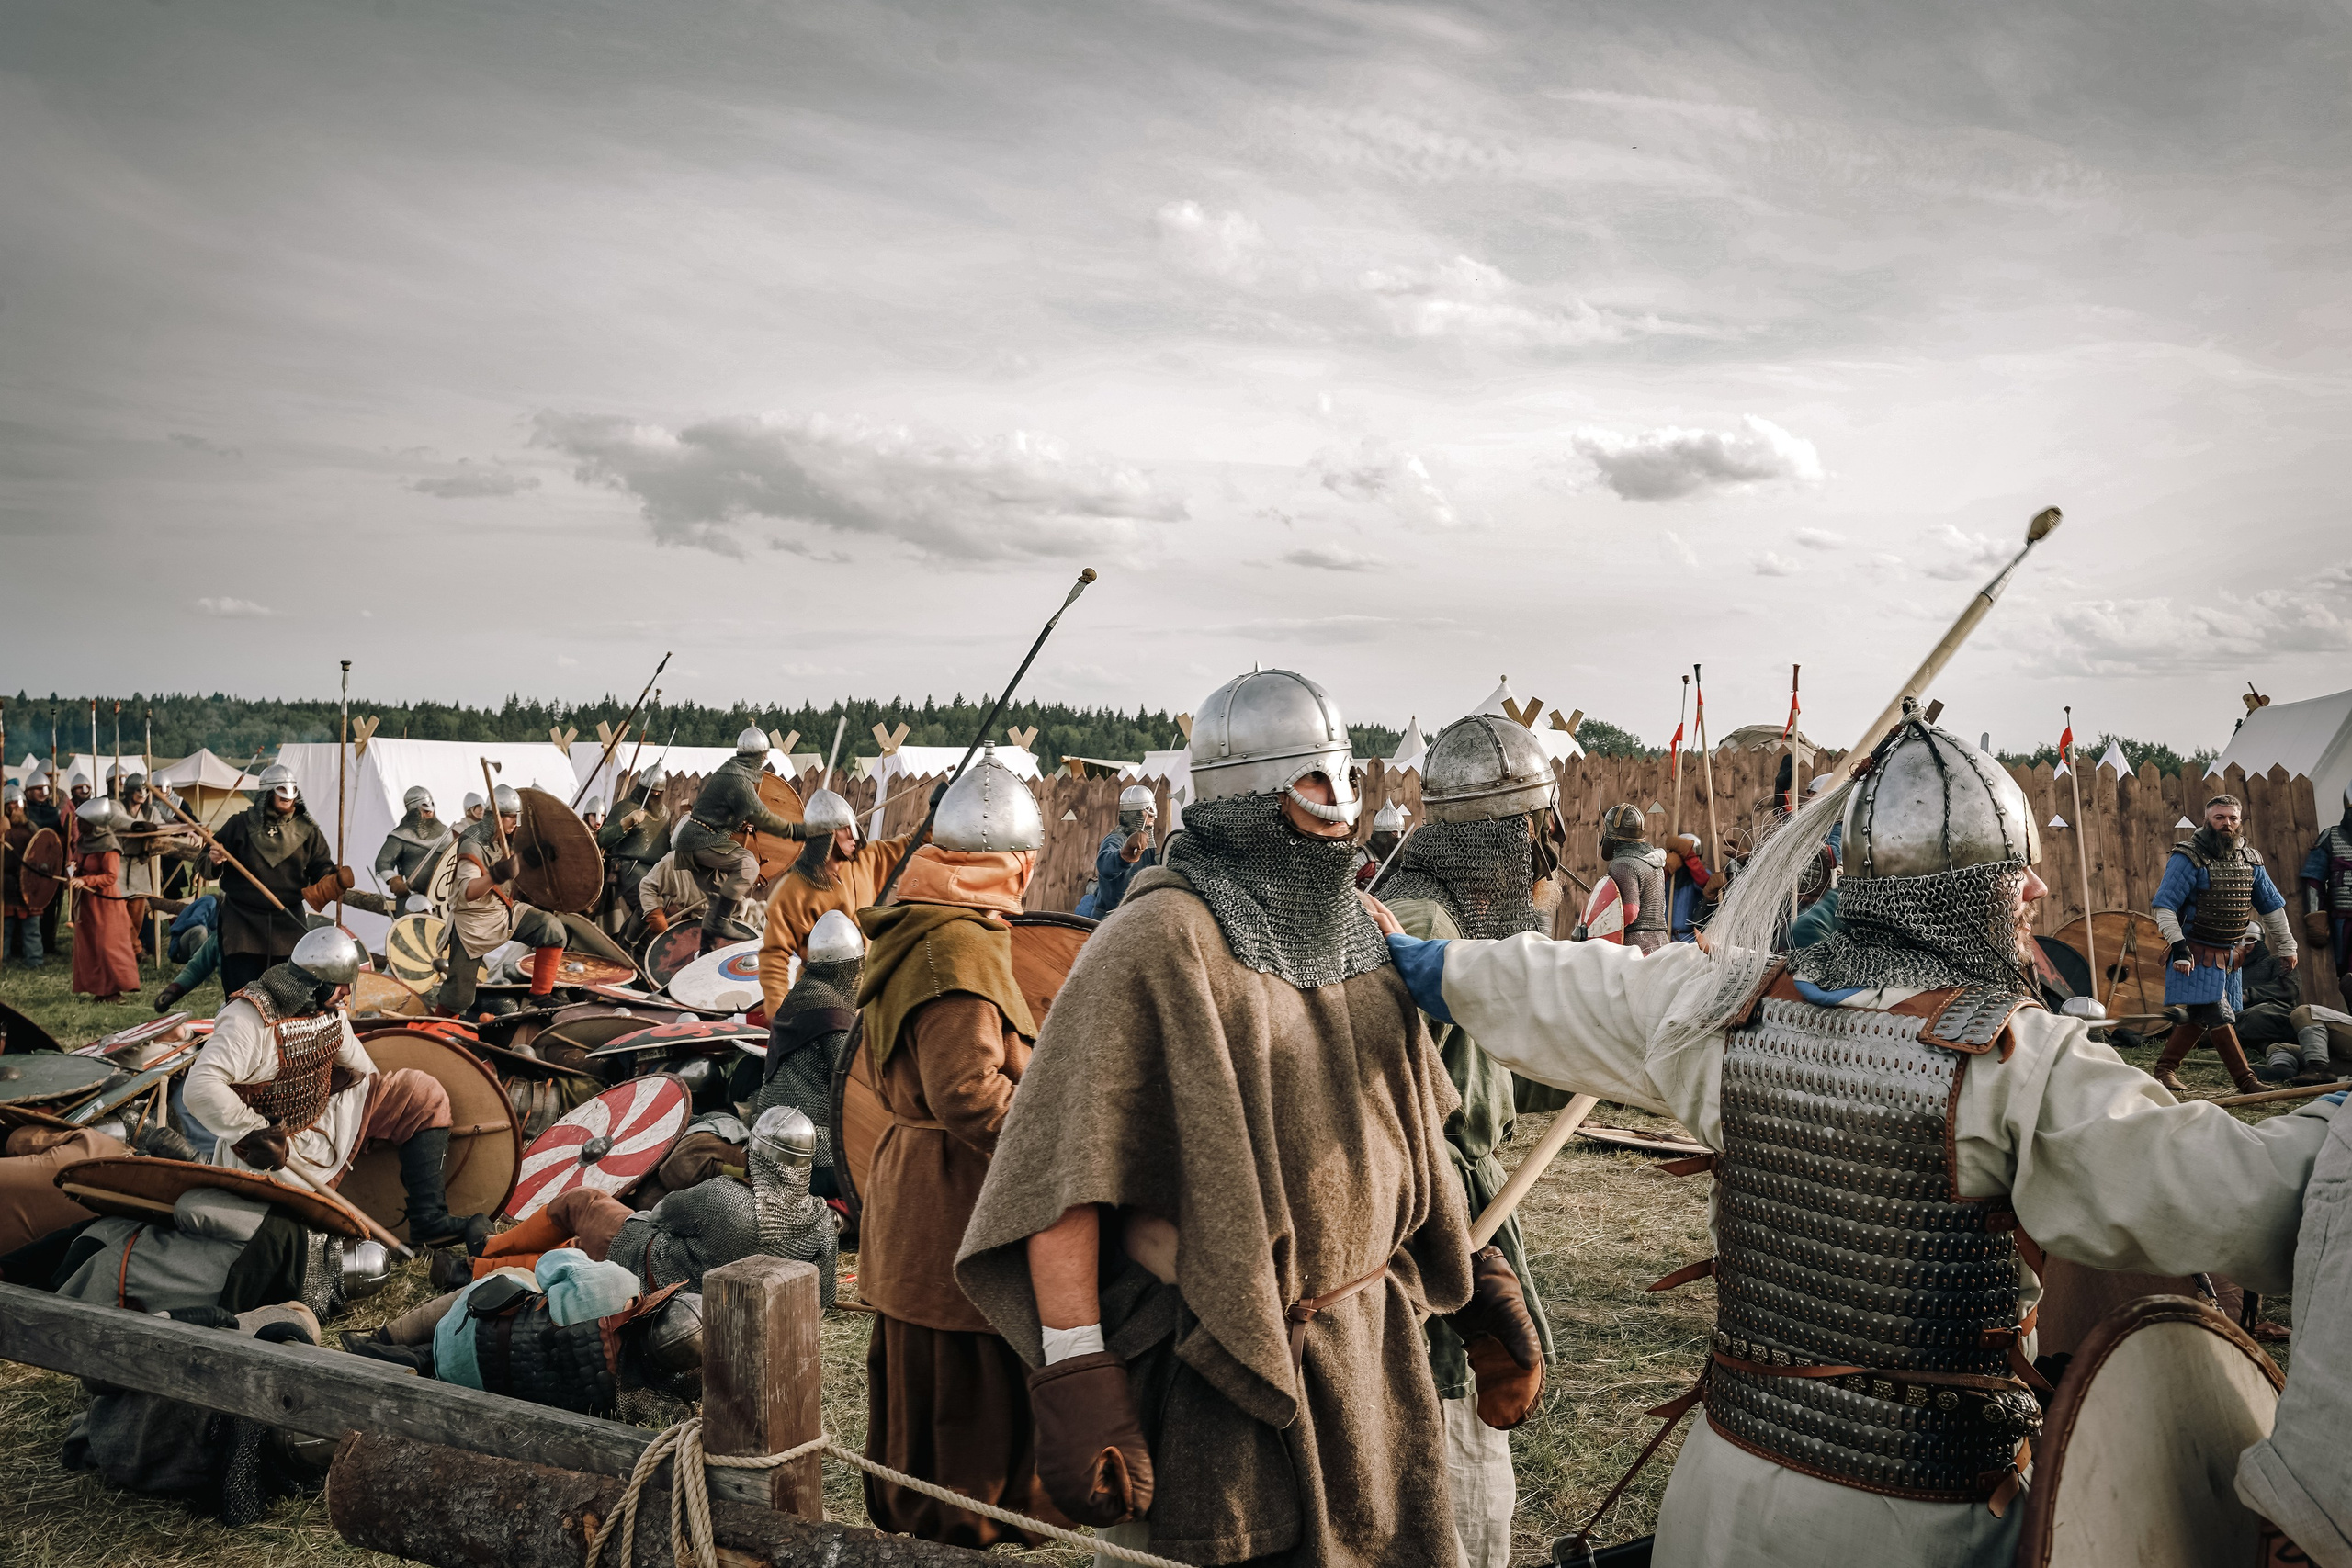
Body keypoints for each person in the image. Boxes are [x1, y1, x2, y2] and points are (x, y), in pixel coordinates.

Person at [1379, 715, 2341, 1567]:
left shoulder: (1721, 1010)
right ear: (1970, 894)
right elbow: (2251, 1195)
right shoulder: (2019, 1065)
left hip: (1720, 1494)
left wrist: (1406, 957)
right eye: (2016, 876)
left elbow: (1534, 983)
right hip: (1917, 1522)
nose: (2040, 891)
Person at [957, 668, 1508, 1568]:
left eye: (1345, 780)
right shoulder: (1155, 941)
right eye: (1314, 781)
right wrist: (1076, 1371)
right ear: (1247, 795)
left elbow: (1407, 1133)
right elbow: (1064, 1175)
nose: (1342, 806)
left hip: (1371, 1353)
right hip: (1225, 1362)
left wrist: (1477, 1277)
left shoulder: (1358, 927)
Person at [854, 746, 1062, 1548]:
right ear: (1008, 864)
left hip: (924, 1185)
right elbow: (967, 1091)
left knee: (942, 1377)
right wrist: (1054, 1144)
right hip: (953, 1196)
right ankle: (961, 1534)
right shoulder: (955, 944)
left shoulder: (920, 921)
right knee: (960, 1396)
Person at [1364, 712, 1558, 1568]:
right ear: (1511, 833)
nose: (1546, 857)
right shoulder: (1417, 926)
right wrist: (1469, 1265)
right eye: (1536, 833)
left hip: (1454, 1216)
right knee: (1448, 1473)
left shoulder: (1447, 921)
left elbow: (1500, 1070)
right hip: (1430, 1235)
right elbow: (1379, 1115)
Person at [182, 927, 491, 1252]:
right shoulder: (248, 1020)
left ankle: (429, 1218)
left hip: (328, 1114)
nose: (347, 990)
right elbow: (201, 1087)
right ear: (315, 982)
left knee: (419, 1094)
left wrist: (377, 1118)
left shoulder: (328, 1010)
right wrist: (256, 1131)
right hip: (273, 1150)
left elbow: (361, 1068)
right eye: (340, 982)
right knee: (297, 1239)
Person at [448, 1105, 837, 1299]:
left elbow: (660, 1215)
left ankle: (486, 1254)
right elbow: (825, 1297)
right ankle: (476, 1268)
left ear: (755, 1153)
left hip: (654, 1278)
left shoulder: (726, 1197)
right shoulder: (820, 1221)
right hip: (709, 1312)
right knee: (582, 1249)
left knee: (582, 1206)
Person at [2151, 793, 2298, 1093]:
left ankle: (2163, 1071)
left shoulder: (2250, 860)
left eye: (2232, 818)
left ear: (2240, 821)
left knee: (2199, 1015)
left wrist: (2288, 945)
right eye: (2219, 817)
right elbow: (2164, 905)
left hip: (2229, 957)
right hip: (2195, 952)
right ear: (2207, 820)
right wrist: (2178, 945)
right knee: (2219, 1013)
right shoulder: (2188, 857)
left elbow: (2271, 907)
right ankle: (2247, 1082)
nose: (2226, 824)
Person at [757, 786, 917, 1016]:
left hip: (869, 994)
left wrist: (937, 813)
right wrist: (778, 1012)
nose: (854, 835)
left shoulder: (868, 860)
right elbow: (774, 955)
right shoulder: (790, 893)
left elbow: (911, 845)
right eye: (845, 829)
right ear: (826, 835)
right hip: (821, 1002)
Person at [208, 763, 350, 997]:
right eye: (280, 791)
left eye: (290, 791)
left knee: (289, 994)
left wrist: (331, 879)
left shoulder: (308, 830)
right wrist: (214, 859)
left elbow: (320, 866)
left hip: (288, 921)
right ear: (267, 793)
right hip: (242, 922)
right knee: (242, 993)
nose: (287, 797)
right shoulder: (239, 825)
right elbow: (207, 856)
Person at [669, 728, 812, 957]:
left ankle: (706, 950)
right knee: (748, 864)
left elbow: (721, 814)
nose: (765, 760)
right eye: (763, 755)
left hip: (697, 838)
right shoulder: (737, 779)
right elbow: (762, 817)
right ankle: (722, 922)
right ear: (759, 755)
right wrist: (798, 831)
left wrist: (740, 824)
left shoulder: (732, 771)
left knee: (717, 900)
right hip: (702, 840)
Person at [752, 908, 863, 1198]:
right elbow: (857, 1088)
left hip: (765, 1138)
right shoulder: (833, 1017)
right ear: (850, 968)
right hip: (807, 1151)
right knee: (877, 1173)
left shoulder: (798, 996)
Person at [435, 785, 571, 1018]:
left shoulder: (506, 838)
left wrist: (532, 857)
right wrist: (495, 876)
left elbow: (514, 863)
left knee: (551, 929)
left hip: (502, 912)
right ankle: (438, 1030)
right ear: (497, 816)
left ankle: (541, 997)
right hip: (473, 922)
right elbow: (469, 891)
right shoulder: (472, 844)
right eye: (512, 817)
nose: (516, 823)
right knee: (459, 995)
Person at [68, 797, 143, 1002]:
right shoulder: (84, 841)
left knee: (107, 945)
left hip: (105, 902)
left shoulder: (109, 845)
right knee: (91, 945)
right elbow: (78, 861)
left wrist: (85, 880)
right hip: (87, 902)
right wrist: (73, 869)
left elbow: (110, 877)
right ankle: (100, 990)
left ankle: (116, 990)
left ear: (93, 823)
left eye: (82, 820)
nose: (78, 824)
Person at [635, 847, 762, 942]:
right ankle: (629, 945)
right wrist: (654, 912)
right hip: (691, 924)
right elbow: (648, 885)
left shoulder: (733, 860)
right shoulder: (673, 862)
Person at [2301, 780, 2352, 997]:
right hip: (2344, 919)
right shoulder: (2330, 837)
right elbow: (2314, 879)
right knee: (2346, 969)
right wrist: (2316, 918)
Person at [1602, 801, 1669, 953]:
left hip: (1636, 947)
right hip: (1662, 943)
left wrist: (1601, 926)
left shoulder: (1623, 864)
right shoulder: (1653, 862)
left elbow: (1630, 911)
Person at [373, 786, 452, 915]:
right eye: (424, 807)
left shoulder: (445, 834)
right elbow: (383, 861)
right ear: (413, 810)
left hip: (443, 902)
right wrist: (393, 880)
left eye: (431, 805)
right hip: (413, 902)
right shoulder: (402, 836)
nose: (430, 811)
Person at [1089, 784, 1158, 917]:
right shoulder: (1116, 839)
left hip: (1133, 914)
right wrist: (1125, 856)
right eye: (1148, 810)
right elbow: (1105, 866)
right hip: (1108, 916)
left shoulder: (1146, 845)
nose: (1153, 815)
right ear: (1133, 813)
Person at [23, 769, 65, 963]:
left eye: (45, 789)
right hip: (28, 866)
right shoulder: (24, 812)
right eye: (37, 789)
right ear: (29, 790)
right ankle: (25, 946)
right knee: (28, 907)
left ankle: (49, 942)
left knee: (50, 905)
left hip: (50, 865)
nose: (42, 792)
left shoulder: (54, 811)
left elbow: (57, 839)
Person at [4, 784, 41, 970]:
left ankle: (34, 960)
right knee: (5, 926)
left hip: (29, 882)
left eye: (18, 803)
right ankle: (3, 958)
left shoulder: (31, 828)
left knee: (31, 927)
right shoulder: (4, 830)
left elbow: (42, 850)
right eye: (11, 804)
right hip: (7, 881)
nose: (16, 807)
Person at [1665, 831, 1713, 943]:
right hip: (1665, 939)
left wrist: (1689, 856)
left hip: (1689, 940)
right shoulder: (1668, 878)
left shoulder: (1702, 877)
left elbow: (1705, 884)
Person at [1355, 798, 1408, 890]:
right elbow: (1345, 886)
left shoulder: (1406, 859)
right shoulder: (1364, 857)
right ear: (1381, 835)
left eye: (1401, 833)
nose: (1398, 837)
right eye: (1393, 832)